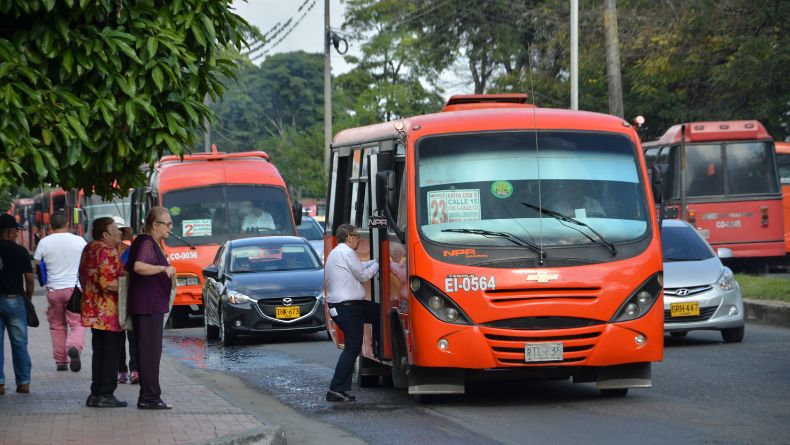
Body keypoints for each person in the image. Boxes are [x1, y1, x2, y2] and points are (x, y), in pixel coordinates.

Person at [125, 207, 176, 410]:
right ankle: (149, 397)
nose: (171, 228)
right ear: (155, 224)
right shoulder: (146, 241)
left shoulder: (149, 242)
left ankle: (150, 396)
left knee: (151, 352)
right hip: (147, 306)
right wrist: (163, 269)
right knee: (149, 353)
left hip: (150, 305)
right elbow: (138, 266)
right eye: (168, 223)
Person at [324, 224, 379, 402]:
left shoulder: (337, 252)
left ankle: (379, 349)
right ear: (348, 237)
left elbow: (359, 266)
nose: (359, 239)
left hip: (347, 306)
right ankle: (335, 388)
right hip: (348, 307)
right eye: (356, 235)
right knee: (352, 348)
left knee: (379, 313)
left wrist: (374, 261)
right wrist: (378, 265)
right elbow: (363, 275)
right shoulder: (347, 252)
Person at [79, 217, 127, 408]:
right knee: (111, 353)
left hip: (93, 309)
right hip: (109, 312)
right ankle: (106, 393)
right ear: (106, 234)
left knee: (99, 352)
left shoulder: (90, 248)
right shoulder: (107, 251)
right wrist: (129, 286)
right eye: (116, 229)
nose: (120, 232)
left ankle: (96, 393)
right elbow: (108, 283)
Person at [32, 211, 87, 372]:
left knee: (57, 325)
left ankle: (61, 361)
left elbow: (36, 263)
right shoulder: (79, 241)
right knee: (77, 323)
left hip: (54, 289)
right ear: (67, 224)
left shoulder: (44, 242)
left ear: (51, 226)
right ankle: (74, 346)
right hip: (74, 290)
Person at [0, 213, 34, 395]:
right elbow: (29, 280)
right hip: (15, 300)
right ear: (11, 231)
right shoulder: (20, 251)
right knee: (19, 343)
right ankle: (23, 382)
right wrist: (27, 298)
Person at [112, 216, 138, 385]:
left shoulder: (131, 248)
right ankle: (122, 370)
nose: (118, 234)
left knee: (132, 334)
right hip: (114, 299)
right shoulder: (108, 251)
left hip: (128, 297)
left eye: (120, 231)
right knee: (119, 336)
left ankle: (134, 370)